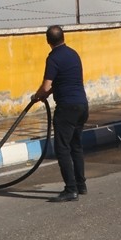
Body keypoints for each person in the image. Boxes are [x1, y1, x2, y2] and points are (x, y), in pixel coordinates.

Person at [31, 25, 89, 202]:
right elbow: (63, 81)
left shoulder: (53, 58)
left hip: (67, 109)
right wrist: (46, 94)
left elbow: (47, 85)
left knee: (62, 148)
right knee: (76, 146)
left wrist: (37, 96)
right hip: (82, 105)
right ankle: (81, 185)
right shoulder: (73, 54)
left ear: (48, 41)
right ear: (63, 37)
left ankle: (71, 189)